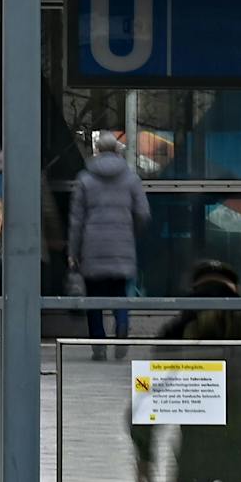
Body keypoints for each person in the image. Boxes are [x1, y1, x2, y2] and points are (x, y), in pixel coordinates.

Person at [129, 259, 241, 482]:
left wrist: (145, 455)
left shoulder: (179, 330)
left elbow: (150, 397)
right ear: (236, 292)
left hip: (197, 448)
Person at [67, 132, 149, 362]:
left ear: (97, 150)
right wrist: (131, 234)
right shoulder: (131, 179)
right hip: (122, 247)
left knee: (94, 299)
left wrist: (73, 252)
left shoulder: (84, 179)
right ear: (116, 150)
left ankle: (99, 346)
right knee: (120, 293)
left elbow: (76, 220)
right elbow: (143, 213)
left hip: (91, 249)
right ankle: (122, 328)